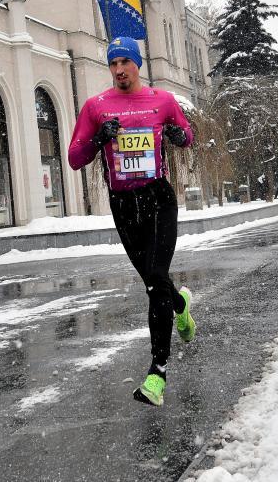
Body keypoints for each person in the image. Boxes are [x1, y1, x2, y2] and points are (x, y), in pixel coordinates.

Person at [67, 36, 196, 407]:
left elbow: (186, 136)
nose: (120, 70)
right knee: (154, 279)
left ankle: (158, 372)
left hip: (158, 197)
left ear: (137, 63)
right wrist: (97, 141)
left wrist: (178, 135)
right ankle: (181, 307)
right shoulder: (96, 107)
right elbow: (76, 158)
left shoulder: (163, 100)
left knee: (156, 281)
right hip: (123, 203)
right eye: (113, 63)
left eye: (125, 61)